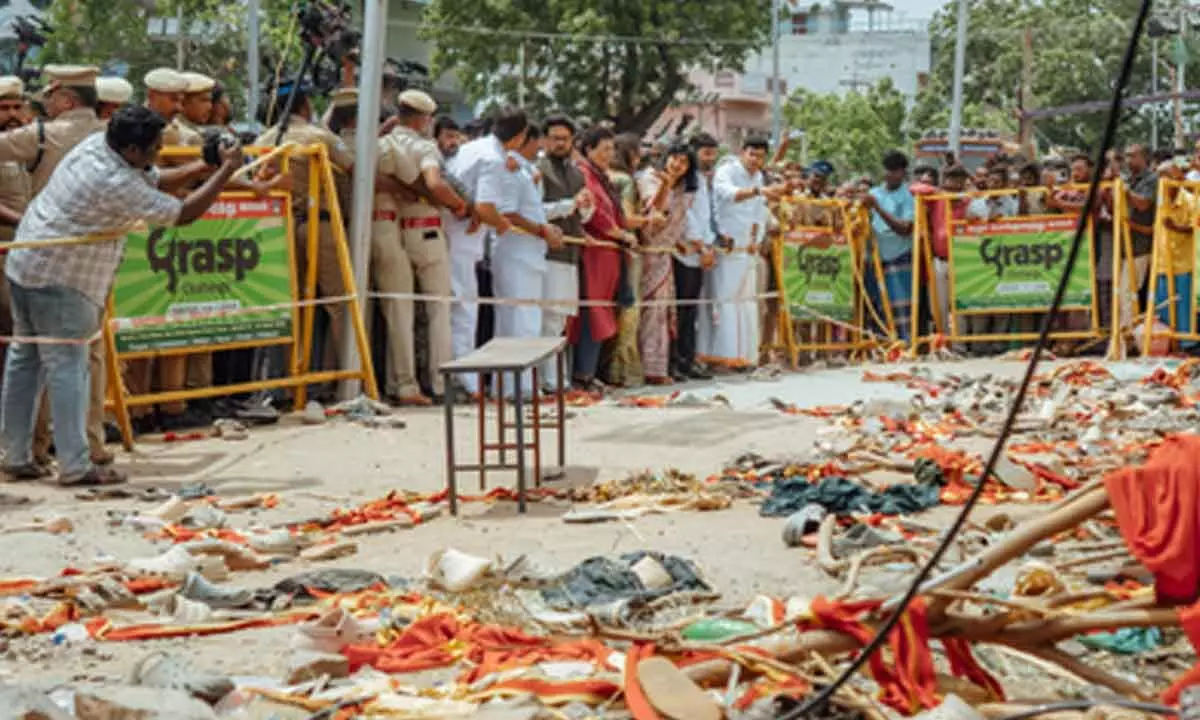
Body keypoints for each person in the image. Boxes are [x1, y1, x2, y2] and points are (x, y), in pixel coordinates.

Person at [1, 105, 243, 486]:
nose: (159, 153)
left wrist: (202, 166)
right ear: (132, 150)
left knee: (25, 361)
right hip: (63, 277)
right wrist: (227, 171)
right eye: (154, 148)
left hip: (27, 263)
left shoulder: (97, 145)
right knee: (68, 369)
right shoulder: (112, 181)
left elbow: (154, 179)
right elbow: (182, 214)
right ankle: (75, 465)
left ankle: (13, 455)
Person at [372, 90, 469, 406]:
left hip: (398, 230)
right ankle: (440, 383)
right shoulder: (424, 146)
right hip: (427, 232)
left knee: (399, 313)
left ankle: (401, 384)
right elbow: (435, 184)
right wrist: (458, 205)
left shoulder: (384, 144)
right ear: (424, 119)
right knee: (438, 311)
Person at [254, 79, 355, 373]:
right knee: (338, 303)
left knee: (291, 305)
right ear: (304, 105)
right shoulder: (318, 136)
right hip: (321, 224)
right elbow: (352, 168)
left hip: (280, 229)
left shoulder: (265, 140)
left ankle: (288, 380)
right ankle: (347, 379)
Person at [443, 106, 527, 396]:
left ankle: (461, 375)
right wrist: (501, 224)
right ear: (519, 137)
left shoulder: (474, 148)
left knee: (460, 305)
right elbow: (485, 207)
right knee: (464, 308)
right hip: (461, 237)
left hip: (455, 231)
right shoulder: (492, 159)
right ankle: (464, 378)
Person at [490, 124, 564, 396]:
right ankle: (515, 388)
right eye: (539, 140)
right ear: (525, 140)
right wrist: (543, 230)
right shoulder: (511, 169)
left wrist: (545, 229)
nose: (541, 146)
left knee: (526, 321)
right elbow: (508, 214)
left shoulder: (524, 170)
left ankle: (518, 386)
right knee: (518, 322)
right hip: (515, 254)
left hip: (529, 254)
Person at [709, 136, 782, 369]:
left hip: (749, 251)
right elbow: (730, 195)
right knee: (725, 303)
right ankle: (721, 357)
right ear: (742, 152)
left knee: (747, 304)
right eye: (752, 154)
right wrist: (759, 190)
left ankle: (744, 356)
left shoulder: (759, 177)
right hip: (727, 249)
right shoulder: (727, 171)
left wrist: (759, 237)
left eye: (760, 156)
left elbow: (758, 212)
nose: (755, 160)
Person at [573, 126, 634, 389]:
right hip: (595, 252)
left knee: (604, 312)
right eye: (604, 149)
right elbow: (597, 215)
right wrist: (620, 233)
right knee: (592, 313)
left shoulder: (604, 177)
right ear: (589, 150)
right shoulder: (585, 176)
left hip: (609, 254)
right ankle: (582, 374)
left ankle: (590, 372)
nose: (610, 154)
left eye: (612, 149)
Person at [537, 115, 592, 390]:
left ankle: (556, 378)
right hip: (547, 253)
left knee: (559, 320)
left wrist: (584, 206)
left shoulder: (577, 172)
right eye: (555, 138)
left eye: (566, 139)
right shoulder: (537, 169)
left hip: (571, 254)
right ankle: (548, 380)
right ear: (545, 140)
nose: (560, 144)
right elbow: (535, 212)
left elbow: (585, 214)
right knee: (546, 318)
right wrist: (569, 205)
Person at [637, 143, 695, 384]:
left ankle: (658, 367)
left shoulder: (684, 190)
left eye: (683, 162)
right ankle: (646, 368)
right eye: (675, 158)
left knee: (662, 313)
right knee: (647, 312)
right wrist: (665, 185)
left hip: (665, 255)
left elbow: (676, 223)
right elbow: (654, 213)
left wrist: (680, 242)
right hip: (647, 254)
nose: (677, 165)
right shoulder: (650, 178)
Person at [676, 133, 718, 381]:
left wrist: (709, 246)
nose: (710, 159)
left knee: (691, 311)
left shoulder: (702, 180)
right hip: (685, 253)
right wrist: (701, 246)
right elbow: (687, 216)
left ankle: (688, 358)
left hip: (701, 252)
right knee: (681, 311)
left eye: (714, 153)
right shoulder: (686, 181)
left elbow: (705, 217)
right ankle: (679, 360)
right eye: (705, 153)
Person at [863, 150, 916, 342]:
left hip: (898, 256)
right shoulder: (873, 193)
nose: (891, 175)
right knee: (875, 304)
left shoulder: (907, 196)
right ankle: (880, 344)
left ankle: (904, 344)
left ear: (902, 173)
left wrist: (878, 208)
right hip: (874, 257)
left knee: (900, 304)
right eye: (888, 170)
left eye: (896, 171)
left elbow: (905, 228)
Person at [0, 76, 30, 375]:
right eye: (3, 107)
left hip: (25, 253)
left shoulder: (24, 147)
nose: (11, 114)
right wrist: (23, 221)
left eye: (16, 107)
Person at [1153, 159, 1196, 340]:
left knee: (1183, 309)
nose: (1163, 183)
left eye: (1167, 178)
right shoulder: (1160, 199)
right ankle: (1166, 344)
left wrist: (1176, 228)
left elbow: (1195, 227)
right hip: (1162, 261)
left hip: (1183, 263)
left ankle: (1187, 344)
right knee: (1163, 307)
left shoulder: (1191, 200)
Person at [1123, 144, 1157, 319]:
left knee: (1128, 292)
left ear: (1144, 158)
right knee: (1124, 293)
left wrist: (1125, 192)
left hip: (1141, 245)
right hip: (1123, 245)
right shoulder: (1127, 180)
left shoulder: (1152, 179)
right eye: (1127, 156)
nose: (1128, 160)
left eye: (1133, 156)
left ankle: (1125, 339)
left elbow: (1143, 204)